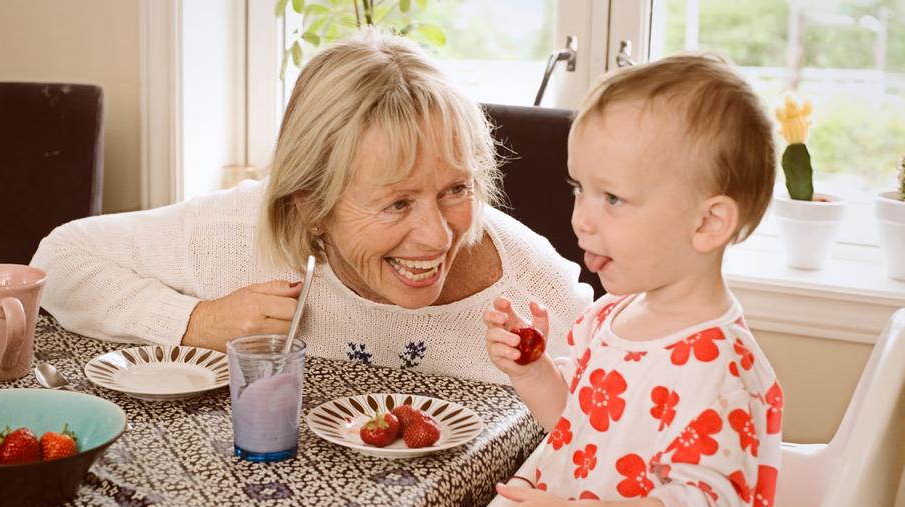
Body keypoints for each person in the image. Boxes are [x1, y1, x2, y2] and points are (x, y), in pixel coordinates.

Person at [30, 29, 592, 384]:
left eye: (456, 190)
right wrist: (196, 322)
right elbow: (60, 260)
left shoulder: (534, 288)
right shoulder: (233, 236)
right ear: (311, 205)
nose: (438, 237)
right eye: (396, 203)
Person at [476, 54, 783, 507]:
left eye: (613, 198)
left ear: (707, 223)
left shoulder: (721, 371)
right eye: (579, 187)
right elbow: (572, 427)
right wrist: (534, 372)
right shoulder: (611, 315)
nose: (581, 217)